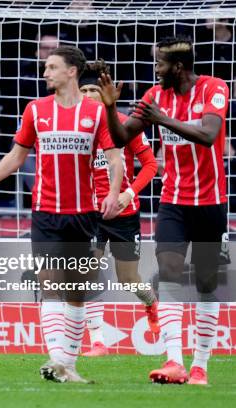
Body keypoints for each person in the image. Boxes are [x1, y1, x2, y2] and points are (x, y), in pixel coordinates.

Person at [0, 46, 124, 383]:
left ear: (71, 72)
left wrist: (113, 193)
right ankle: (56, 359)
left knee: (76, 291)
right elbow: (17, 155)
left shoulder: (96, 114)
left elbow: (115, 158)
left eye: (52, 67)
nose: (45, 73)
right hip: (45, 213)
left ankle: (68, 365)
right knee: (49, 284)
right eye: (45, 67)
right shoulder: (36, 110)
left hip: (83, 213)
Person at [97, 36, 229, 385]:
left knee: (205, 283)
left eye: (159, 63)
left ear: (178, 67)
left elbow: (208, 134)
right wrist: (111, 108)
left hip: (211, 203)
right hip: (173, 201)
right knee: (168, 273)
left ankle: (200, 365)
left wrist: (163, 120)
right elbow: (122, 137)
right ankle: (175, 362)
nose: (155, 70)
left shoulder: (214, 88)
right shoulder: (155, 96)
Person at [77, 60, 159, 357]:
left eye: (93, 89)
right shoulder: (76, 128)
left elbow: (151, 165)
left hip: (124, 212)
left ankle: (151, 304)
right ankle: (98, 341)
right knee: (87, 272)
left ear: (105, 92)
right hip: (90, 213)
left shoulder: (125, 124)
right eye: (83, 89)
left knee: (128, 279)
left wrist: (128, 192)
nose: (87, 95)